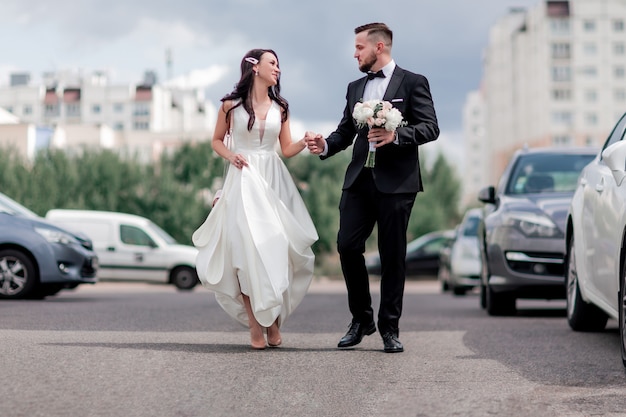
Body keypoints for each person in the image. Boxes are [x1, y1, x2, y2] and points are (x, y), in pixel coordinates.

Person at [306, 23, 439, 353]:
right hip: (358, 181)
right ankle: (361, 319)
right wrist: (324, 145)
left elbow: (430, 127)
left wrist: (398, 136)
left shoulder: (413, 82)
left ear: (379, 47)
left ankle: (389, 328)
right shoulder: (354, 88)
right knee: (347, 245)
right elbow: (344, 133)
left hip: (397, 184)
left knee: (393, 257)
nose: (355, 54)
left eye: (359, 47)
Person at [192, 49, 318, 350]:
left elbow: (285, 149)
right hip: (243, 181)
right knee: (245, 258)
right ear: (255, 67)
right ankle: (255, 326)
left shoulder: (281, 108)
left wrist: (305, 141)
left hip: (273, 182)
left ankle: (272, 320)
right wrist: (231, 154)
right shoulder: (229, 106)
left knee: (275, 251)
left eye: (278, 64)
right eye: (272, 63)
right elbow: (215, 141)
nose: (278, 68)